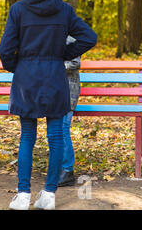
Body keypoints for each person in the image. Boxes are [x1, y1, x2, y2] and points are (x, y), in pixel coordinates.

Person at [0, 0, 97, 210]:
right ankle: (49, 195)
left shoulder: (18, 9)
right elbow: (89, 37)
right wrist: (62, 53)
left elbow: (5, 49)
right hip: (54, 76)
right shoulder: (63, 9)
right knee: (55, 138)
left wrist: (16, 66)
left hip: (27, 79)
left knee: (27, 137)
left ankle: (22, 195)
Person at [59, 36, 81, 187]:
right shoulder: (51, 34)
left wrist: (53, 66)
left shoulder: (70, 39)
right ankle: (59, 168)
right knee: (55, 129)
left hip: (68, 91)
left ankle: (67, 170)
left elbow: (75, 63)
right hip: (53, 90)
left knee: (62, 128)